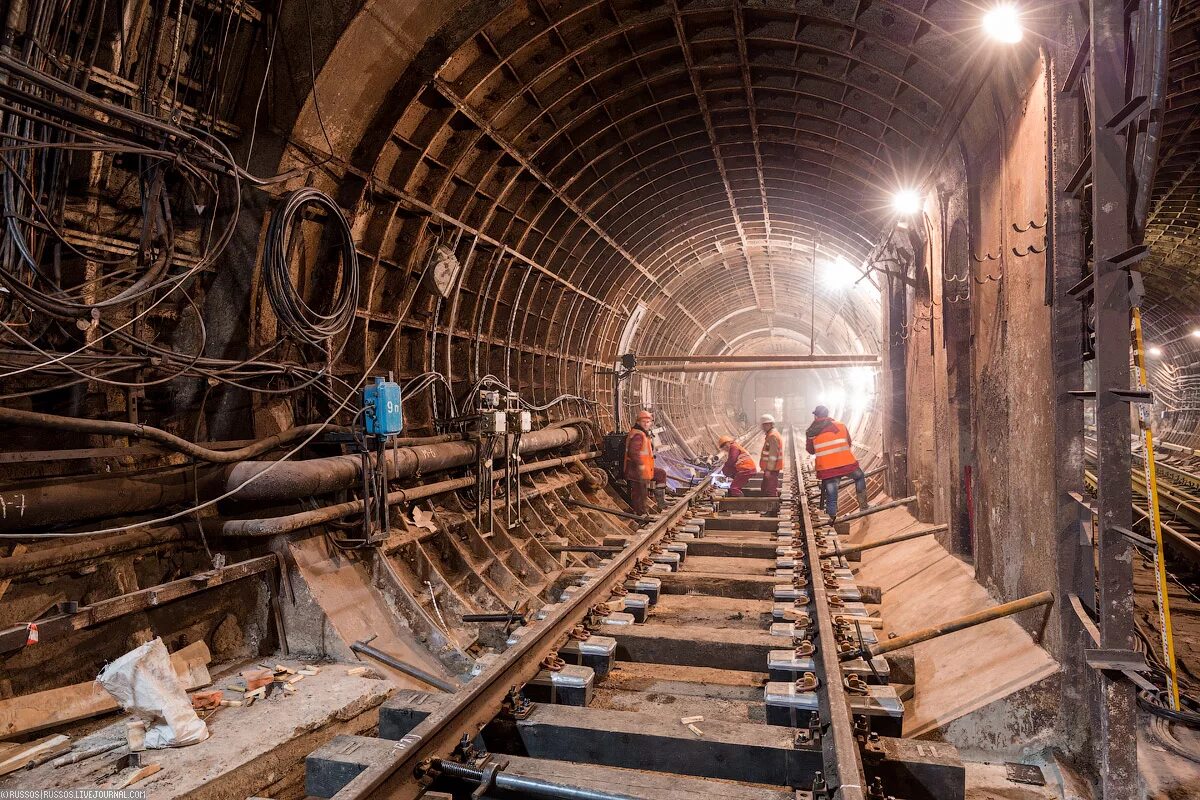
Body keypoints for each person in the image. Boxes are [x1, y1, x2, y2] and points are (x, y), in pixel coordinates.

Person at [805, 405, 866, 519]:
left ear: (816, 416)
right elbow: (848, 442)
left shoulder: (811, 432)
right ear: (827, 414)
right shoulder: (841, 425)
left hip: (827, 469)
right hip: (846, 464)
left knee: (831, 495)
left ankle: (831, 519)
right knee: (859, 476)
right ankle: (864, 506)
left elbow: (810, 451)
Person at [624, 409, 665, 515]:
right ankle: (640, 514)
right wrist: (641, 465)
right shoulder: (638, 435)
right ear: (638, 422)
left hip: (644, 469)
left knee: (661, 474)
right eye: (644, 422)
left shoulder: (643, 433)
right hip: (636, 470)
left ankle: (660, 502)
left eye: (648, 422)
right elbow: (633, 452)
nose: (646, 424)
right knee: (640, 493)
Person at [759, 414, 784, 496]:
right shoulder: (771, 434)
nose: (762, 427)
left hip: (772, 469)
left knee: (770, 490)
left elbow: (773, 455)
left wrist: (769, 470)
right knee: (765, 488)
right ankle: (767, 507)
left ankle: (772, 507)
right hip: (770, 468)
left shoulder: (772, 436)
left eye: (763, 425)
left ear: (768, 424)